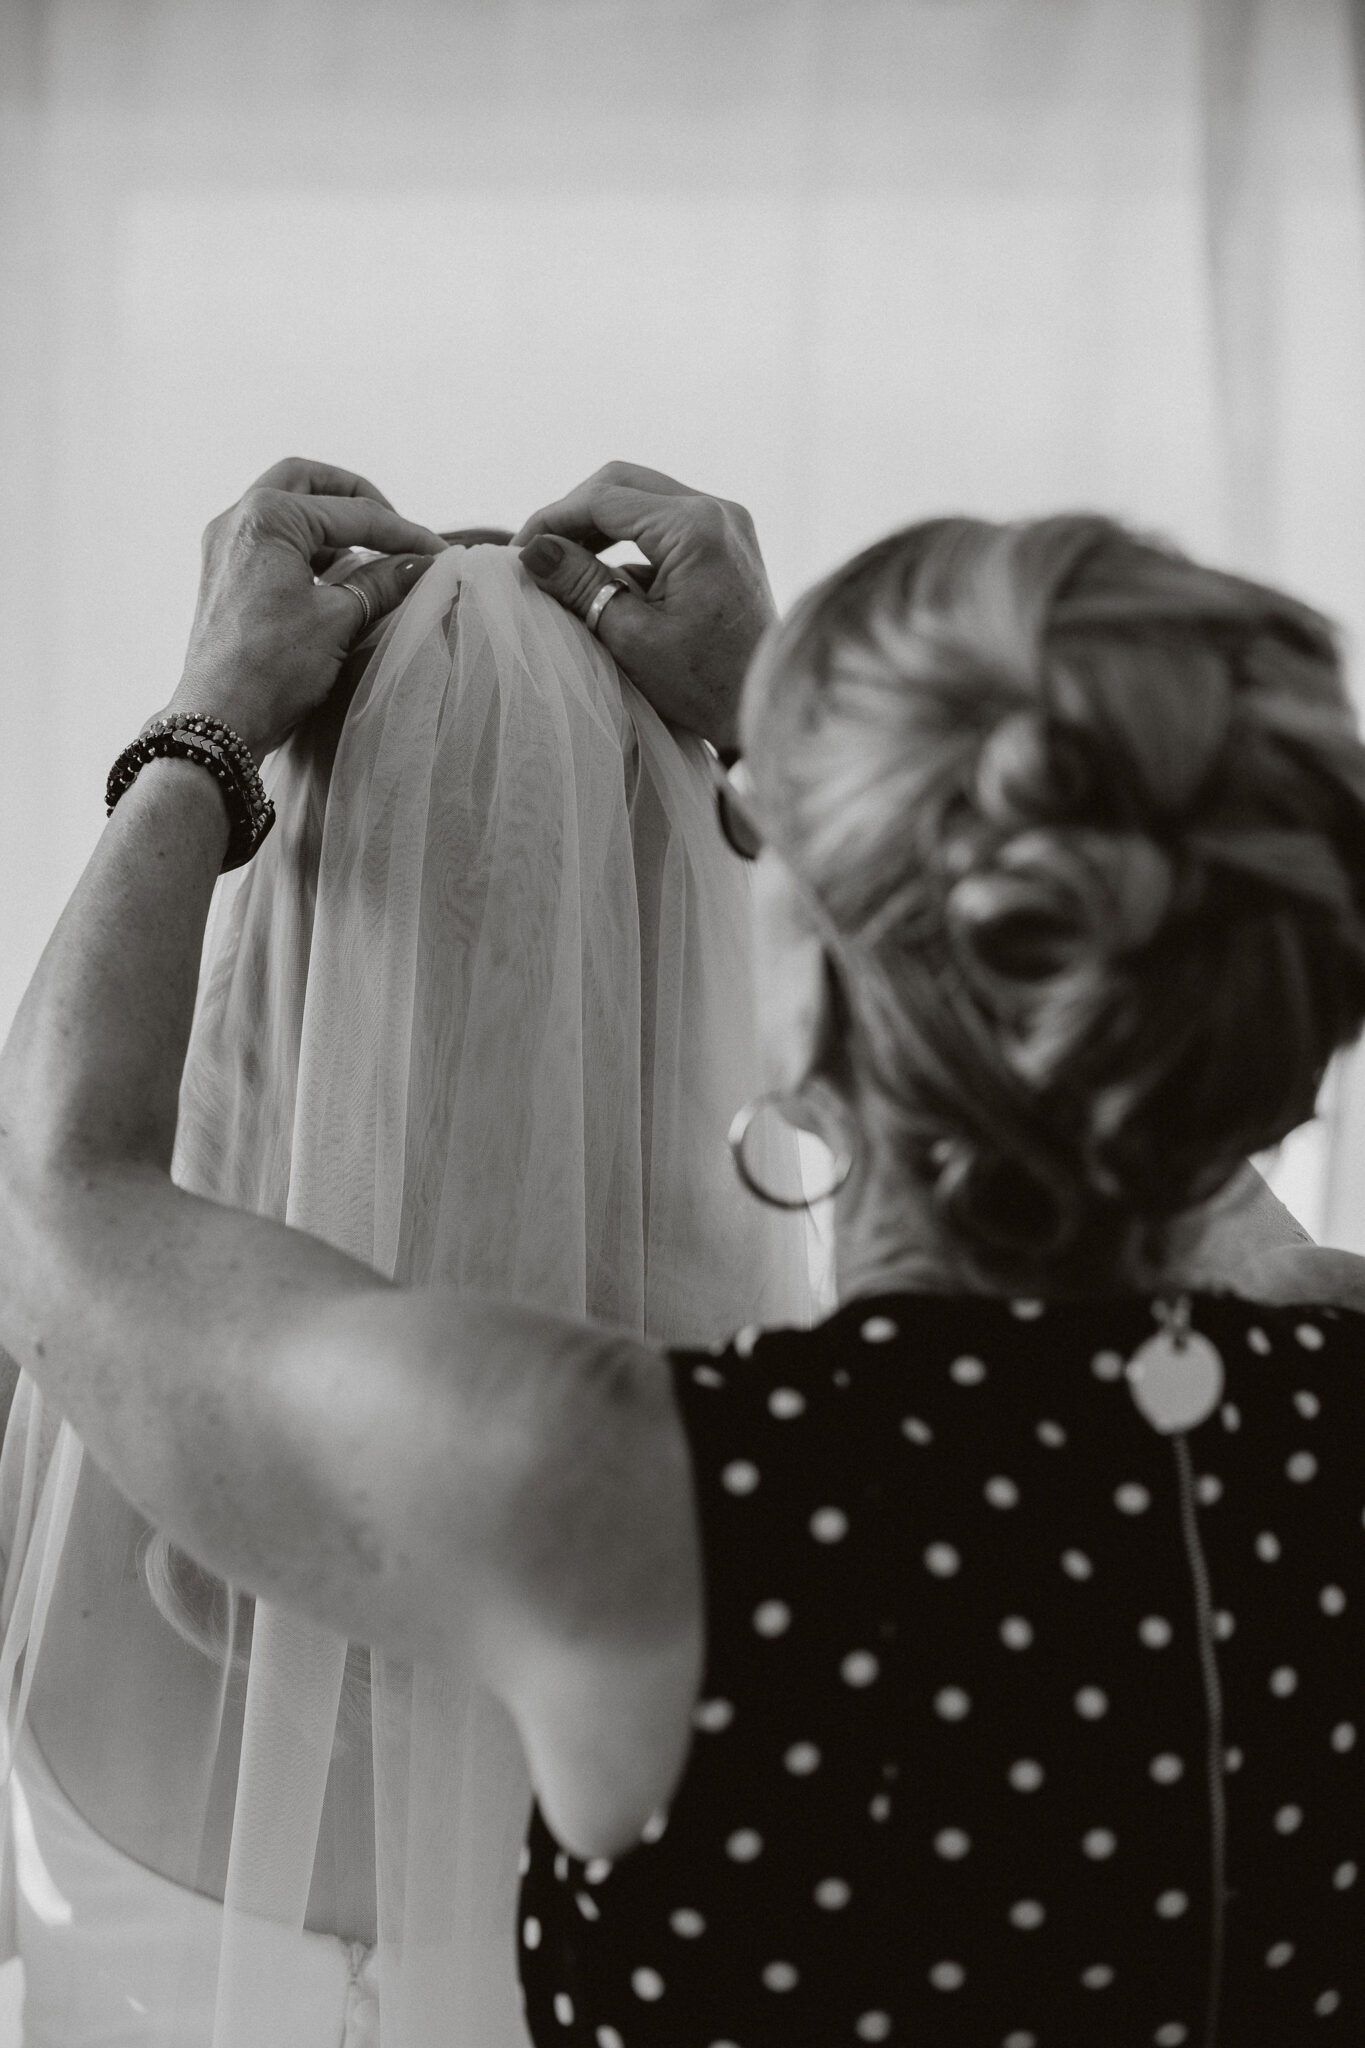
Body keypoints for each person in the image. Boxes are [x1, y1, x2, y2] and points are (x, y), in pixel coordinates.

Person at [2, 454, 1361, 2048]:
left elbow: (57, 1199)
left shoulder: (640, 1501)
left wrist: (203, 725)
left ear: (818, 1012)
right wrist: (811, 762)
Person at [0, 468, 808, 2047]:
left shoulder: (61, 1378)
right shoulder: (835, 1479)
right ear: (691, 925)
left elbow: (48, 1174)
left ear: (275, 910)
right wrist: (783, 729)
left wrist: (201, 727)